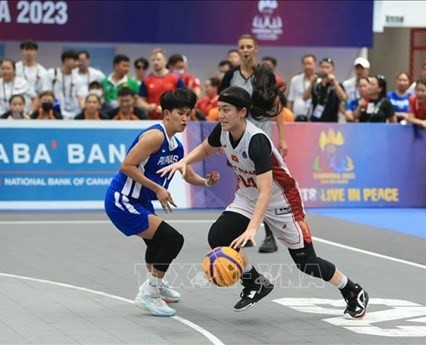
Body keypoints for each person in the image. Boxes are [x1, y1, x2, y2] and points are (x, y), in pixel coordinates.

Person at [158, 71, 369, 318]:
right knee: (219, 236)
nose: (220, 114)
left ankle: (352, 290)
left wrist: (252, 228)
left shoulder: (257, 142)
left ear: (242, 113)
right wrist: (184, 162)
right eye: (220, 109)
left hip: (282, 202)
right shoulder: (223, 130)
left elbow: (267, 191)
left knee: (306, 262)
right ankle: (254, 282)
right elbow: (206, 148)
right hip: (247, 196)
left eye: (226, 110)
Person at [104, 89, 219, 317]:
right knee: (172, 239)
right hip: (123, 199)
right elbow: (126, 166)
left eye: (189, 114)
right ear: (167, 113)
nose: (185, 118)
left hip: (142, 200)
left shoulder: (177, 146)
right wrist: (158, 188)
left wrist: (206, 182)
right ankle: (149, 293)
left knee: (156, 244)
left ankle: (156, 285)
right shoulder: (155, 136)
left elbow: (187, 175)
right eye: (181, 113)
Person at [219, 33, 287, 253]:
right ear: (238, 50)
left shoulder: (265, 74)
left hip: (261, 137)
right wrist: (222, 136)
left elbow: (277, 106)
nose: (245, 50)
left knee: (263, 187)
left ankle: (269, 235)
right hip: (239, 138)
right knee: (244, 184)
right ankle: (247, 230)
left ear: (256, 48)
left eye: (249, 46)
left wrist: (282, 137)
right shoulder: (230, 75)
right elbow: (223, 107)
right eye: (242, 47)